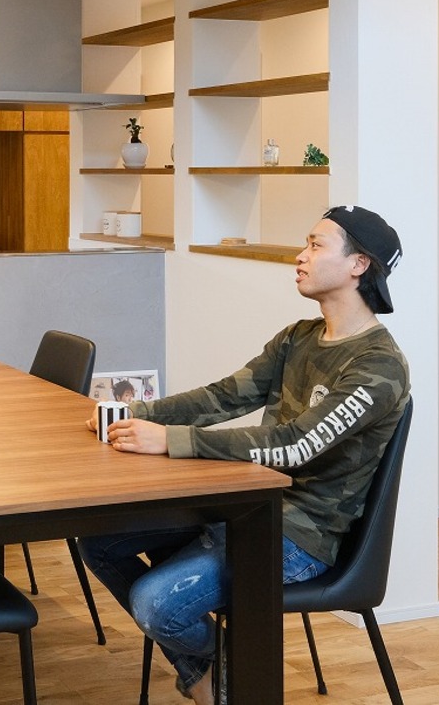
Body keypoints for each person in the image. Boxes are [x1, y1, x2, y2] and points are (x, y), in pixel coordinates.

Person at [79, 205, 410, 705]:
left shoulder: (378, 366)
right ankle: (213, 674)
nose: (300, 256)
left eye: (316, 245)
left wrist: (171, 440)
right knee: (100, 541)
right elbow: (223, 397)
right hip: (246, 506)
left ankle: (229, 675)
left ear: (358, 264)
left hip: (299, 536)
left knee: (155, 605)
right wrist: (134, 414)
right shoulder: (299, 337)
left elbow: (295, 444)